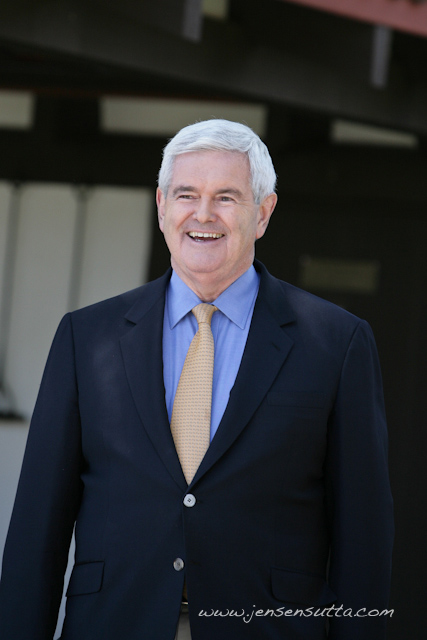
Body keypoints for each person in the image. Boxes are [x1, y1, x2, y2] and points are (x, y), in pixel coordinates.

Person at [0, 119, 393, 640]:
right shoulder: (85, 337)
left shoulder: (337, 343)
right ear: (162, 205)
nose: (202, 214)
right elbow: (36, 528)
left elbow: (363, 540)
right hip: (114, 624)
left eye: (226, 197)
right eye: (187, 194)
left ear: (263, 213)